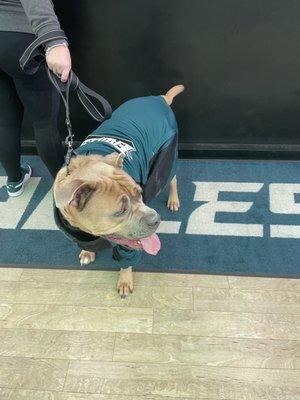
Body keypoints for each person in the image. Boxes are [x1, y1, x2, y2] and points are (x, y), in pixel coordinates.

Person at [0, 0, 71, 196]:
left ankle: (14, 180)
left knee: (4, 121)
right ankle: (65, 189)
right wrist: (54, 39)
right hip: (21, 36)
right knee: (44, 123)